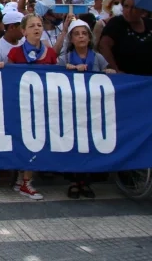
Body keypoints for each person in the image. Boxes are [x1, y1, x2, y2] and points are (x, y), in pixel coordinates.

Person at [56, 20, 115, 198]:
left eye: (84, 33)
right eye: (77, 34)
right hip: (71, 108)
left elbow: (109, 72)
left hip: (93, 108)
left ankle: (85, 181)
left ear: (89, 37)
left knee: (89, 144)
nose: (81, 36)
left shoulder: (98, 58)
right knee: (74, 144)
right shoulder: (64, 59)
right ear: (71, 39)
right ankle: (73, 180)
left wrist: (110, 72)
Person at [6, 14, 58, 200]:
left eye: (39, 25)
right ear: (23, 31)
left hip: (43, 105)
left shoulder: (50, 53)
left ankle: (25, 180)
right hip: (21, 106)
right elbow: (8, 79)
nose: (37, 28)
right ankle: (25, 181)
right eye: (32, 26)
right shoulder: (14, 53)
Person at [99, 0, 152, 76]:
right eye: (126, 6)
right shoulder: (115, 24)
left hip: (151, 78)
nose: (129, 11)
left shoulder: (151, 24)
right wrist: (116, 70)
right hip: (125, 79)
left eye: (134, 7)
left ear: (142, 10)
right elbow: (104, 47)